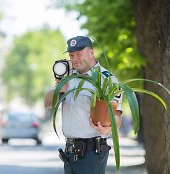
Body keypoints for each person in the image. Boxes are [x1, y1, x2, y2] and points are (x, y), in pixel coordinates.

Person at [44, 36, 122, 174]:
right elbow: (47, 103)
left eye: (79, 54)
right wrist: (59, 89)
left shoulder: (106, 79)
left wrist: (108, 128)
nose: (74, 59)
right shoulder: (67, 75)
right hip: (69, 151)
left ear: (91, 52)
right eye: (71, 55)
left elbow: (116, 115)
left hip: (91, 152)